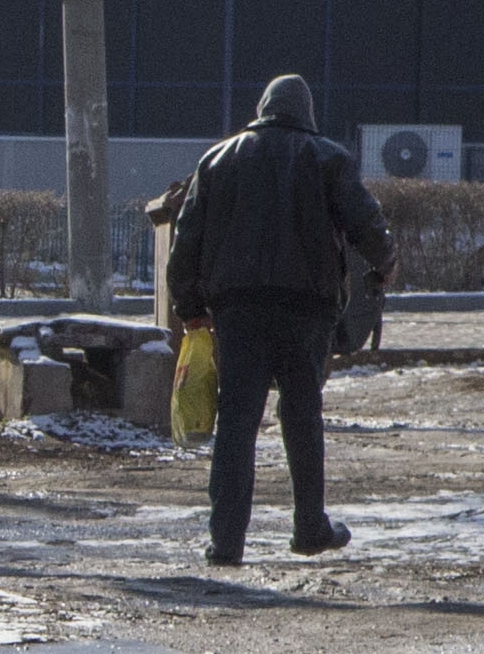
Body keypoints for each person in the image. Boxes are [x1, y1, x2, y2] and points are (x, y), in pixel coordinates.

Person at [157, 71, 391, 568]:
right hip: (307, 310)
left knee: (238, 420)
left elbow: (186, 242)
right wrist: (385, 262)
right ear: (306, 112)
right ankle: (309, 526)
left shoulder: (218, 159)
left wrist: (190, 308)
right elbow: (366, 225)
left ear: (263, 107)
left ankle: (226, 541)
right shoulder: (329, 158)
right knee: (303, 415)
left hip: (238, 310)